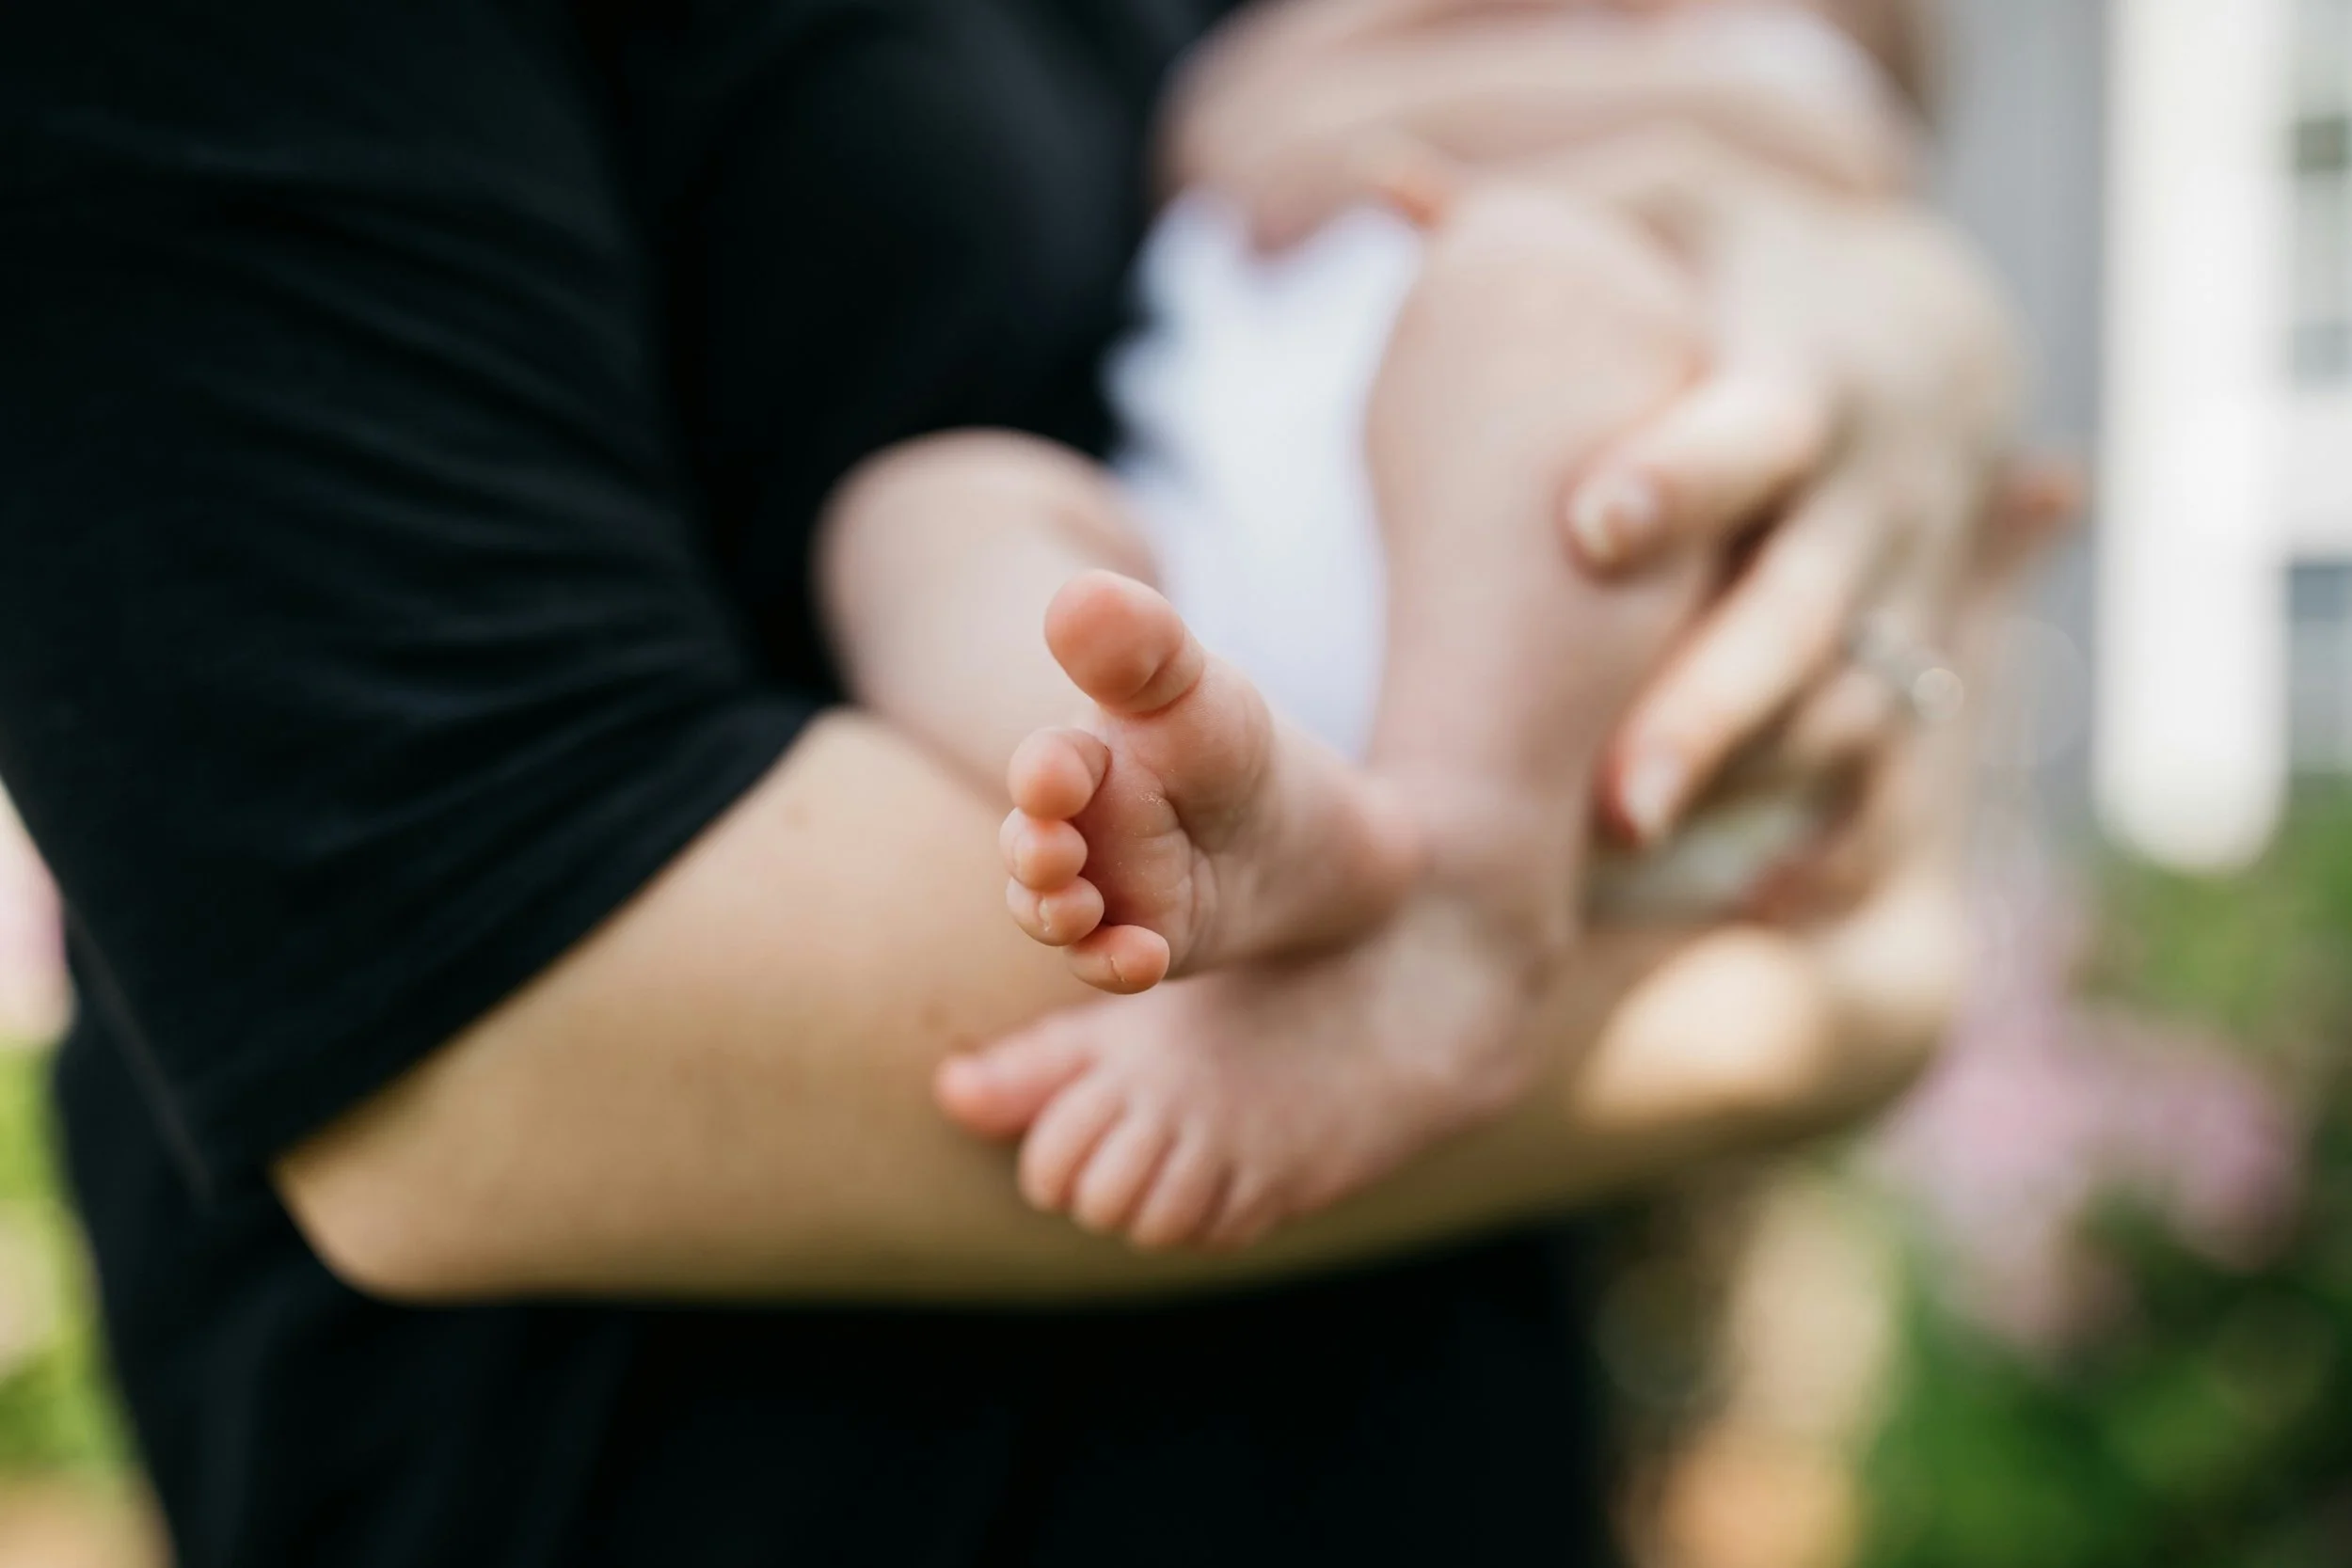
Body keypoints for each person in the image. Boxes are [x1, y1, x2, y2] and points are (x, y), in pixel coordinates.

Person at [0, 1, 2016, 1563]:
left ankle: (1452, 886)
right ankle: (1239, 829)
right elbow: (481, 1033)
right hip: (1239, 584)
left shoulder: (1719, 74)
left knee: (1534, 299)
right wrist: (1831, 999)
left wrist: (1885, 289)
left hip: (1532, 581)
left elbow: (1829, 171)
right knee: (937, 509)